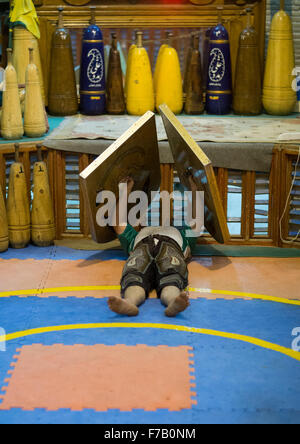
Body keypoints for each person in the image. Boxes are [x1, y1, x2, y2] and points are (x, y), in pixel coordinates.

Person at [107, 173, 199, 317]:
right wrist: (126, 191)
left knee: (172, 277)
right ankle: (129, 303)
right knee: (134, 276)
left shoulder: (182, 233)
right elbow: (117, 222)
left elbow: (195, 220)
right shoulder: (135, 235)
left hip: (170, 247)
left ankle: (173, 302)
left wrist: (194, 188)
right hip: (142, 247)